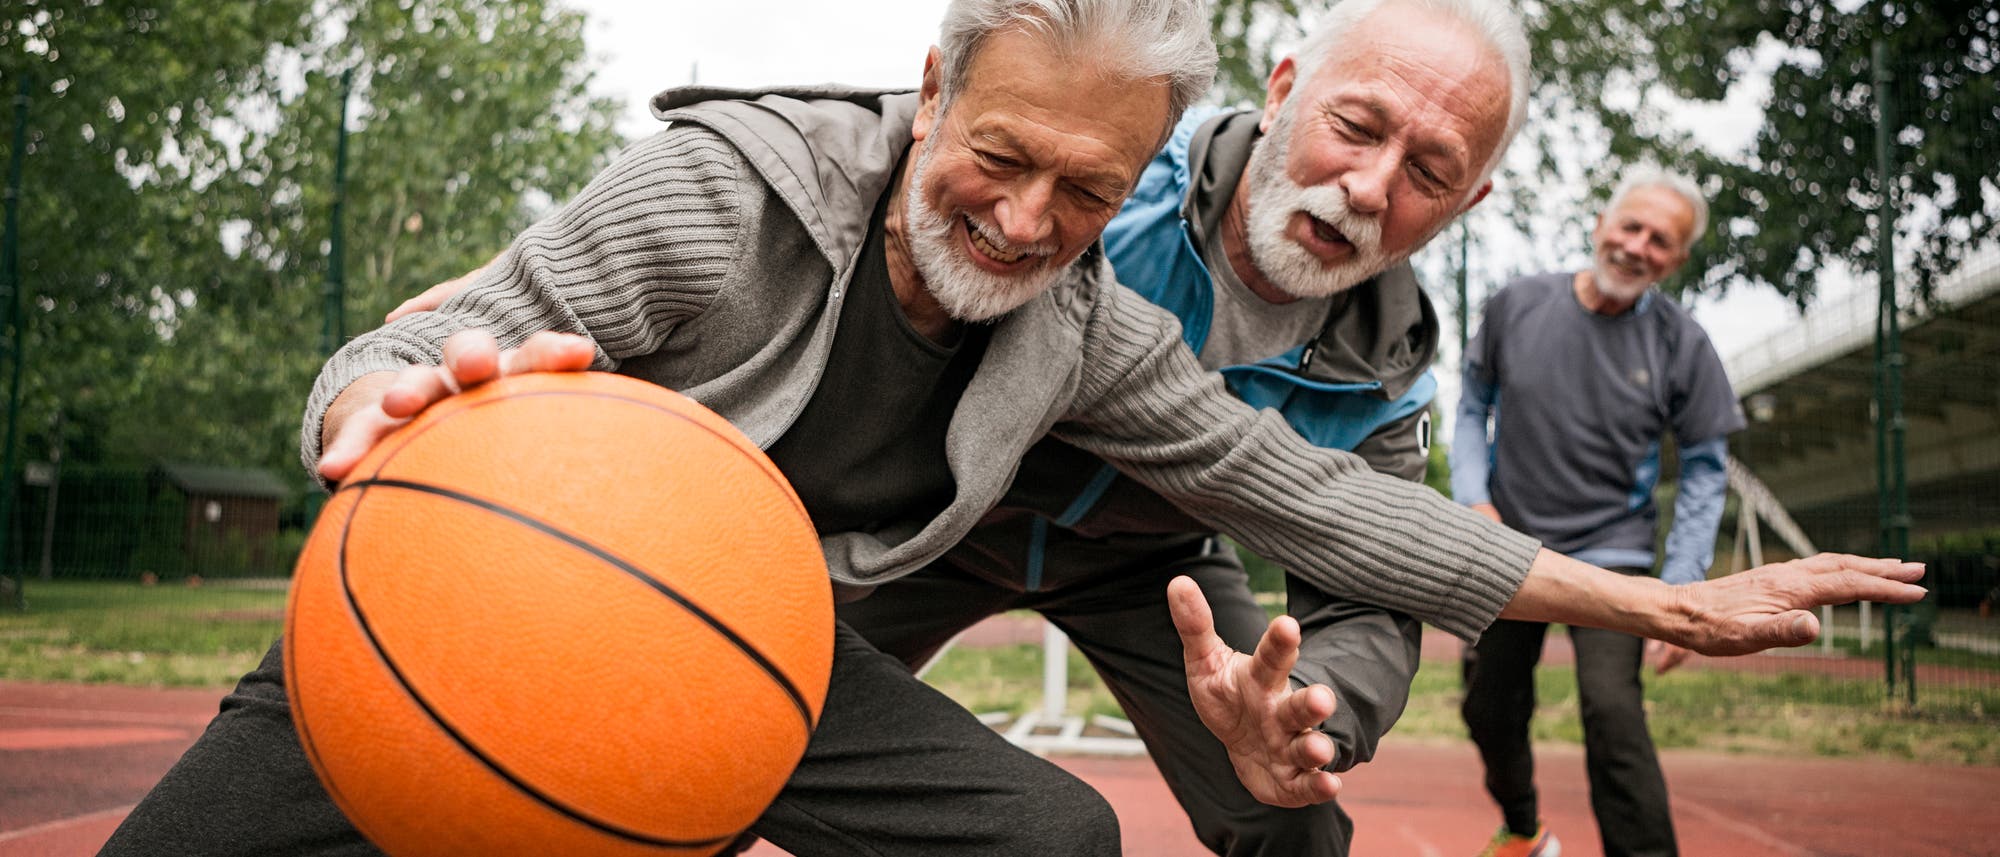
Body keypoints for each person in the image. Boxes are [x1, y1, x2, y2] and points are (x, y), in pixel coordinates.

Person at [102, 0, 1923, 853]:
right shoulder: (733, 187)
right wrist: (379, 387)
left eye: (1088, 187)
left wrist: (1652, 604)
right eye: (1001, 160)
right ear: (930, 92)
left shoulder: (1106, 324)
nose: (1035, 218)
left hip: (903, 605)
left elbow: (1335, 512)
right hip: (515, 593)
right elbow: (453, 330)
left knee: (1057, 838)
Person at [387, 1, 1527, 853]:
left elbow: (1365, 560)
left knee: (1291, 816)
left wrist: (1321, 708)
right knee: (730, 711)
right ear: (1283, 91)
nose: (1370, 186)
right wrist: (531, 265)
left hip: (1150, 562)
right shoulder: (1111, 165)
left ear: (1468, 198)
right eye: (1356, 128)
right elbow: (918, 137)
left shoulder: (1390, 365)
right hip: (948, 505)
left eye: (1428, 169)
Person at [1450, 169, 1738, 857]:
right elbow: (1470, 406)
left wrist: (1683, 583)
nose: (1639, 246)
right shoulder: (1516, 303)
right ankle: (1522, 829)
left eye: (1660, 241)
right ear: (1601, 223)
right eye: (1630, 227)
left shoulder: (1683, 343)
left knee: (1613, 711)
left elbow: (1704, 466)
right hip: (1511, 545)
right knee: (1489, 705)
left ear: (1678, 259)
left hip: (1614, 553)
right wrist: (1473, 498)